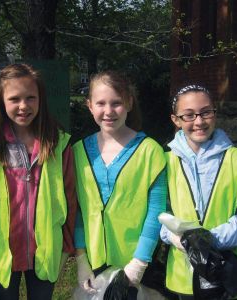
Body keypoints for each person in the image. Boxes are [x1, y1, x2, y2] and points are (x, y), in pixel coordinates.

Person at [0, 63, 77, 300]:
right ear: (1, 101)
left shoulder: (59, 143)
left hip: (46, 251)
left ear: (41, 99)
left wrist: (67, 246)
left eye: (31, 97)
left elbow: (70, 198)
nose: (23, 106)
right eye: (14, 99)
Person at [160, 85, 237, 299]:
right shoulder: (163, 163)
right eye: (188, 115)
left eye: (206, 112)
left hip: (226, 273)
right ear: (176, 120)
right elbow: (157, 214)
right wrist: (176, 239)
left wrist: (209, 240)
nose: (199, 121)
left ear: (214, 113)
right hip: (182, 276)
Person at [73, 70, 167, 299]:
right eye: (101, 103)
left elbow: (156, 212)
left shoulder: (150, 151)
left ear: (129, 103)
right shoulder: (78, 152)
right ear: (89, 106)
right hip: (95, 267)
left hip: (136, 266)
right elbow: (77, 210)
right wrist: (81, 257)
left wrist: (139, 263)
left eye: (116, 103)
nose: (108, 111)